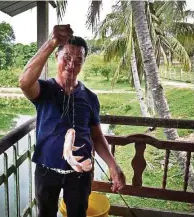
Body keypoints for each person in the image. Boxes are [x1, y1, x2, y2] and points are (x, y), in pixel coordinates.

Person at [19, 24, 126, 217]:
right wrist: (52, 43)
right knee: (46, 214)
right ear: (56, 58)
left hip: (80, 174)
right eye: (66, 58)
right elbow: (24, 82)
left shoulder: (90, 98)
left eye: (78, 60)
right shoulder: (44, 90)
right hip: (46, 170)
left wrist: (112, 165)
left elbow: (97, 137)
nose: (71, 65)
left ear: (83, 63)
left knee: (78, 214)